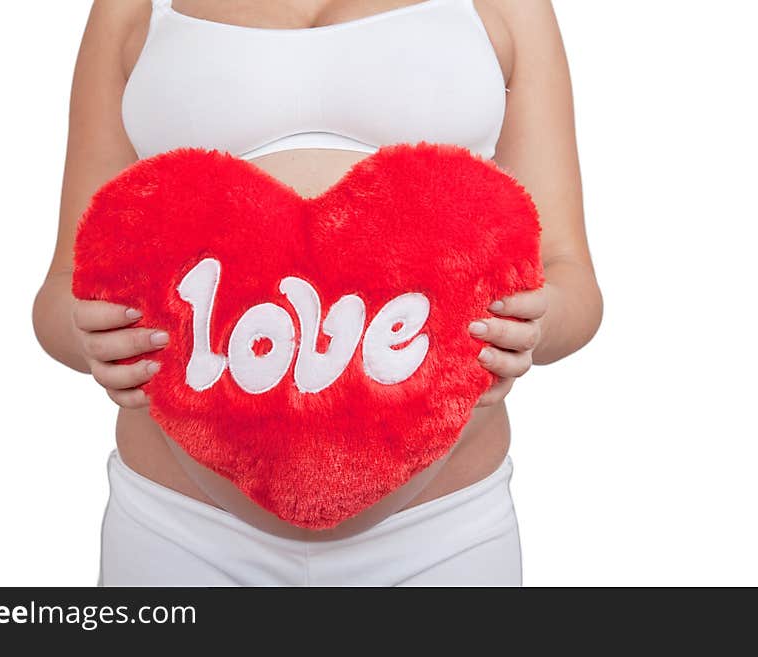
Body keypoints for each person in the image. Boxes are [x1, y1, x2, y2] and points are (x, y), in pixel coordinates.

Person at [32, 0, 602, 586]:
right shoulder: (133, 9)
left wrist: (538, 324)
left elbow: (571, 277)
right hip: (180, 530)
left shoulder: (508, 8)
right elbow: (59, 293)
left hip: (442, 533)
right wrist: (88, 337)